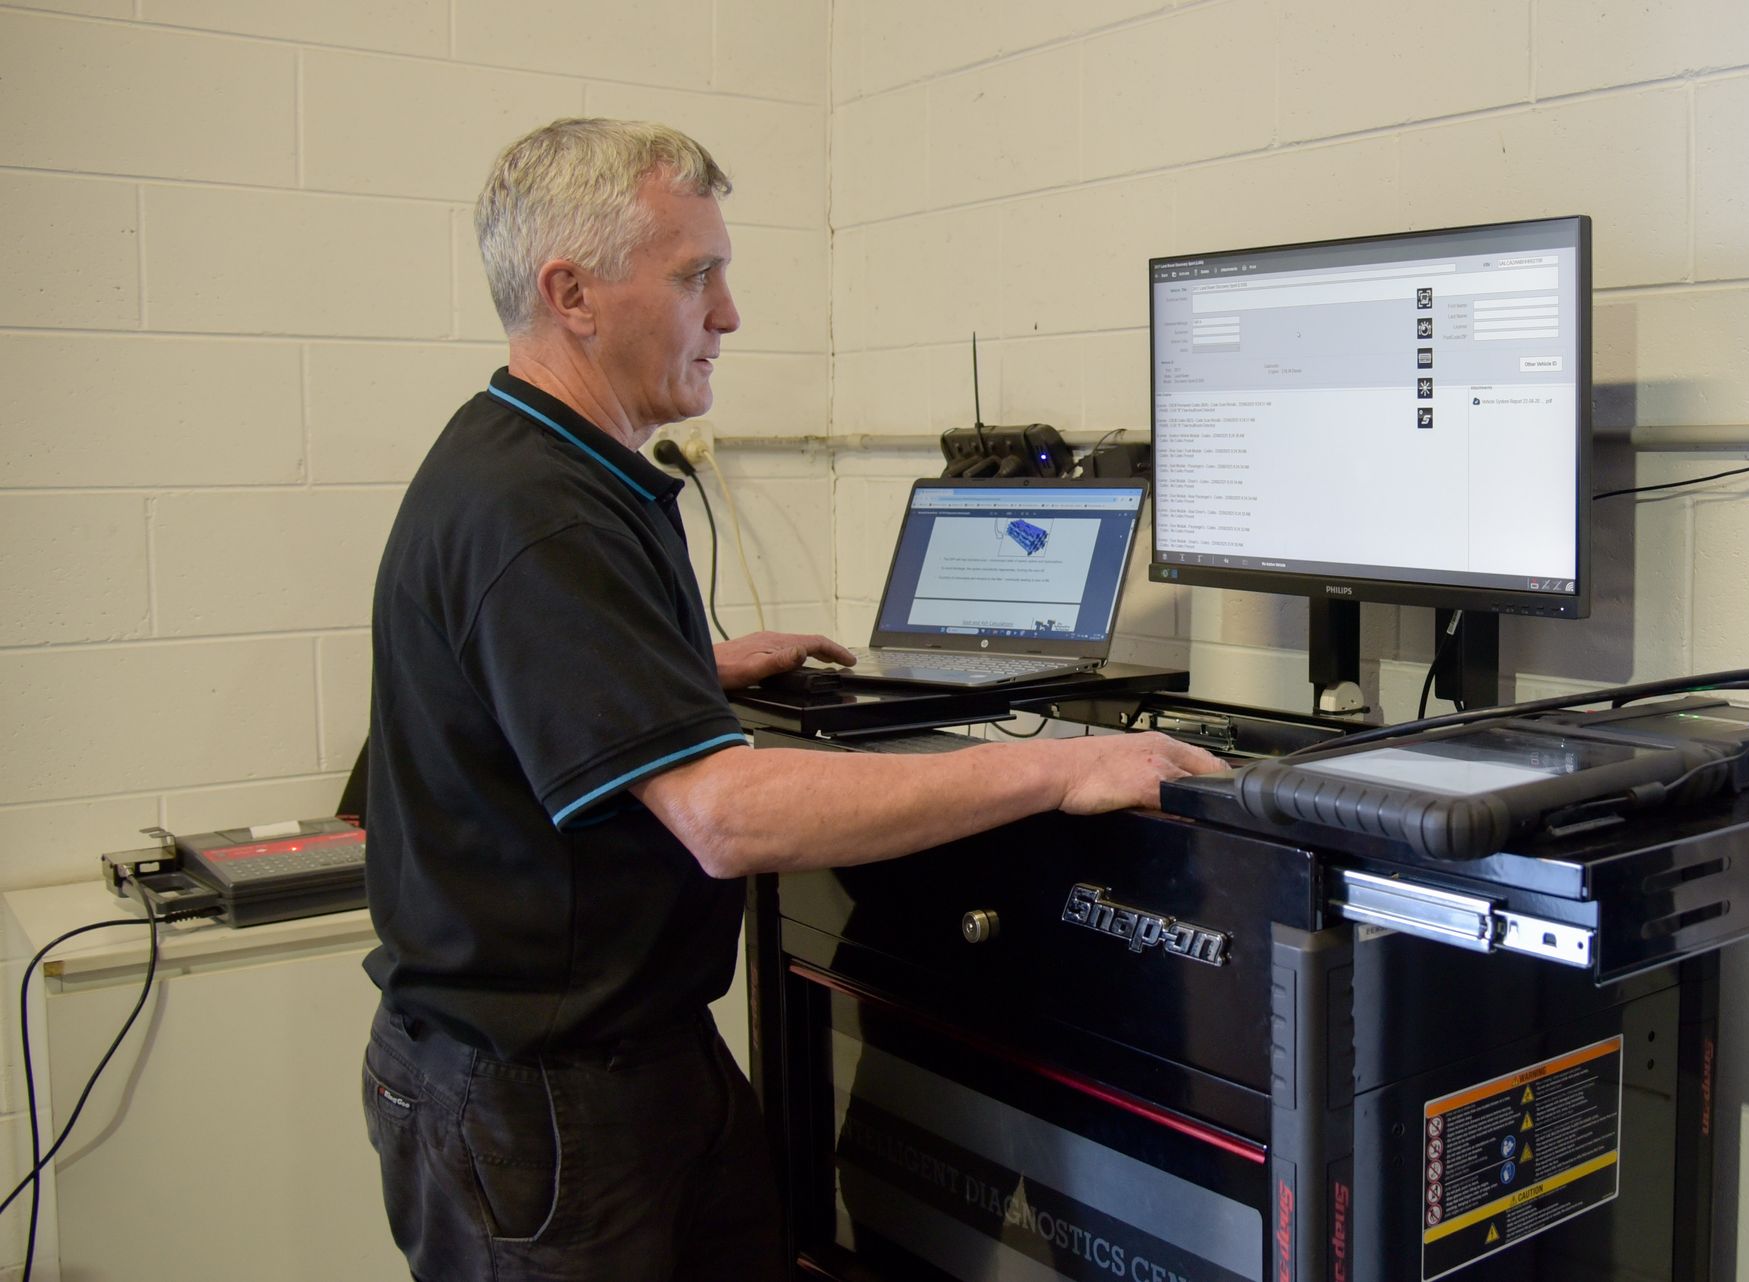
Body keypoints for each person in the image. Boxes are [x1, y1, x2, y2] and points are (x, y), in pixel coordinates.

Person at [358, 117, 1223, 1282]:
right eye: (695, 276)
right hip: (542, 1100)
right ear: (571, 293)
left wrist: (675, 673)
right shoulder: (539, 510)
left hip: (632, 1059)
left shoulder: (544, 463)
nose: (728, 313)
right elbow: (726, 819)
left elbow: (508, 681)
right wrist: (1056, 768)